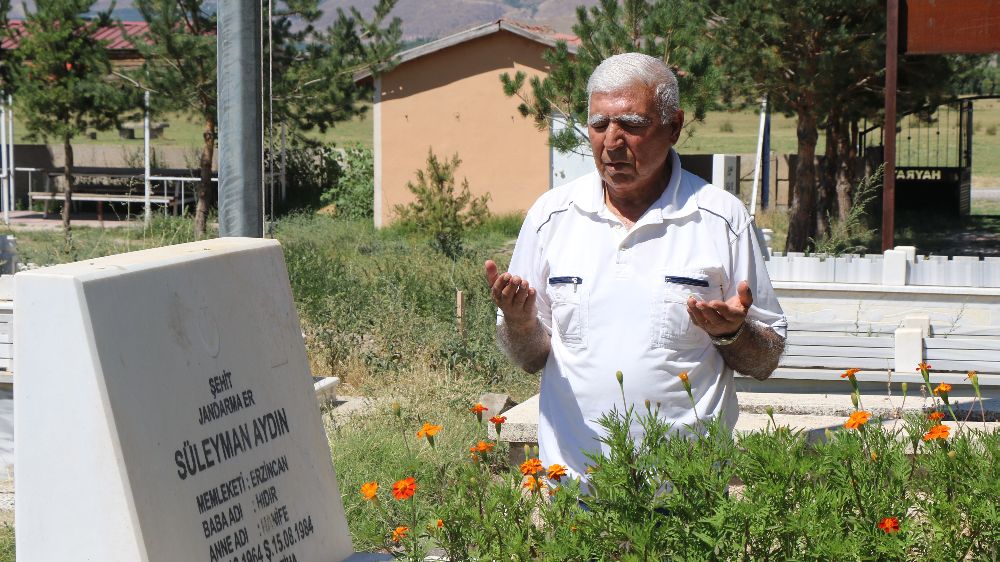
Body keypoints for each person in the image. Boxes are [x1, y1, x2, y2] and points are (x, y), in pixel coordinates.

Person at [484, 52, 787, 482]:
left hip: (687, 490)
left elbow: (766, 359)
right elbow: (531, 358)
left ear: (674, 126)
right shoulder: (551, 217)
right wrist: (519, 322)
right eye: (599, 124)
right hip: (574, 488)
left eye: (632, 124)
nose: (612, 141)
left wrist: (732, 333)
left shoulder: (721, 218)